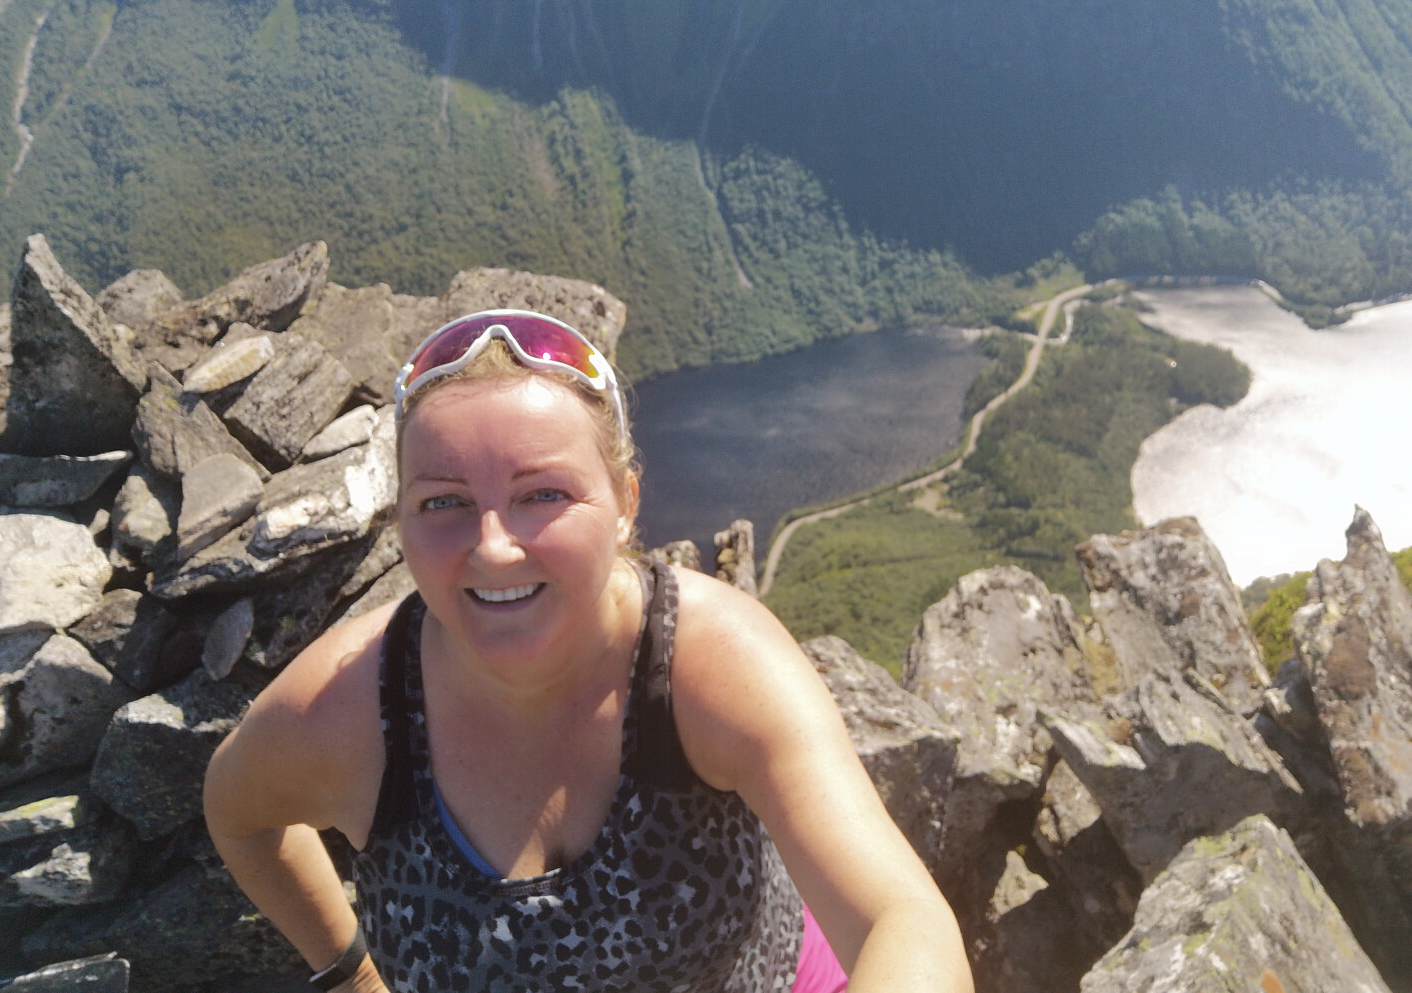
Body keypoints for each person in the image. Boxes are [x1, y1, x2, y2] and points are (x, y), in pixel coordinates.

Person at [204, 309, 973, 993]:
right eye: (444, 502)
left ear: (626, 504)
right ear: (401, 522)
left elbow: (903, 921)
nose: (494, 547)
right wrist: (350, 973)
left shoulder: (707, 664)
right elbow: (237, 815)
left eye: (543, 494)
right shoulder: (345, 712)